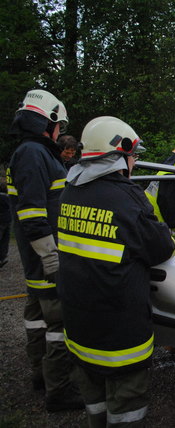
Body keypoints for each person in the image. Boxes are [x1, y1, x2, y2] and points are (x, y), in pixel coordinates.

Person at [57, 116, 175, 427]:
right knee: (127, 411)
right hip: (119, 334)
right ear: (120, 154)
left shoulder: (70, 191)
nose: (134, 162)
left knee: (94, 404)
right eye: (133, 155)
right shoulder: (126, 197)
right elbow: (162, 247)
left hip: (79, 325)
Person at [6, 89, 83, 411]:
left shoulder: (31, 153)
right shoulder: (34, 155)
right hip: (46, 258)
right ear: (47, 122)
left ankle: (41, 374)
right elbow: (33, 215)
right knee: (59, 325)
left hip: (35, 259)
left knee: (37, 317)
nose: (60, 132)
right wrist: (52, 258)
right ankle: (59, 389)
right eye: (59, 125)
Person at [0, 175, 10, 268]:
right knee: (4, 240)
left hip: (3, 221)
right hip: (6, 220)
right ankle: (2, 257)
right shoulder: (8, 198)